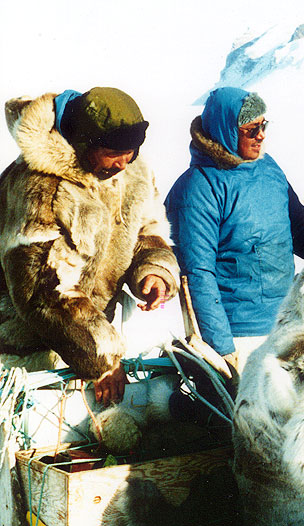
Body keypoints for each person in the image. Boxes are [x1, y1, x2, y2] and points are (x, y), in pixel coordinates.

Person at [0, 87, 179, 405]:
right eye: (113, 152)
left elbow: (144, 232)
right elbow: (40, 290)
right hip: (28, 355)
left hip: (88, 343)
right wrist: (102, 359)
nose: (124, 163)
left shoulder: (129, 173)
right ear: (85, 143)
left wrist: (153, 270)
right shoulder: (37, 185)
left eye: (133, 151)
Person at [164, 87, 304, 375]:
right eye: (251, 129)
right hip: (241, 333)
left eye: (263, 126)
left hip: (288, 319)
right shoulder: (199, 187)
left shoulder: (268, 169)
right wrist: (223, 350)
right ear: (226, 131)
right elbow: (199, 273)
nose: (261, 136)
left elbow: (299, 226)